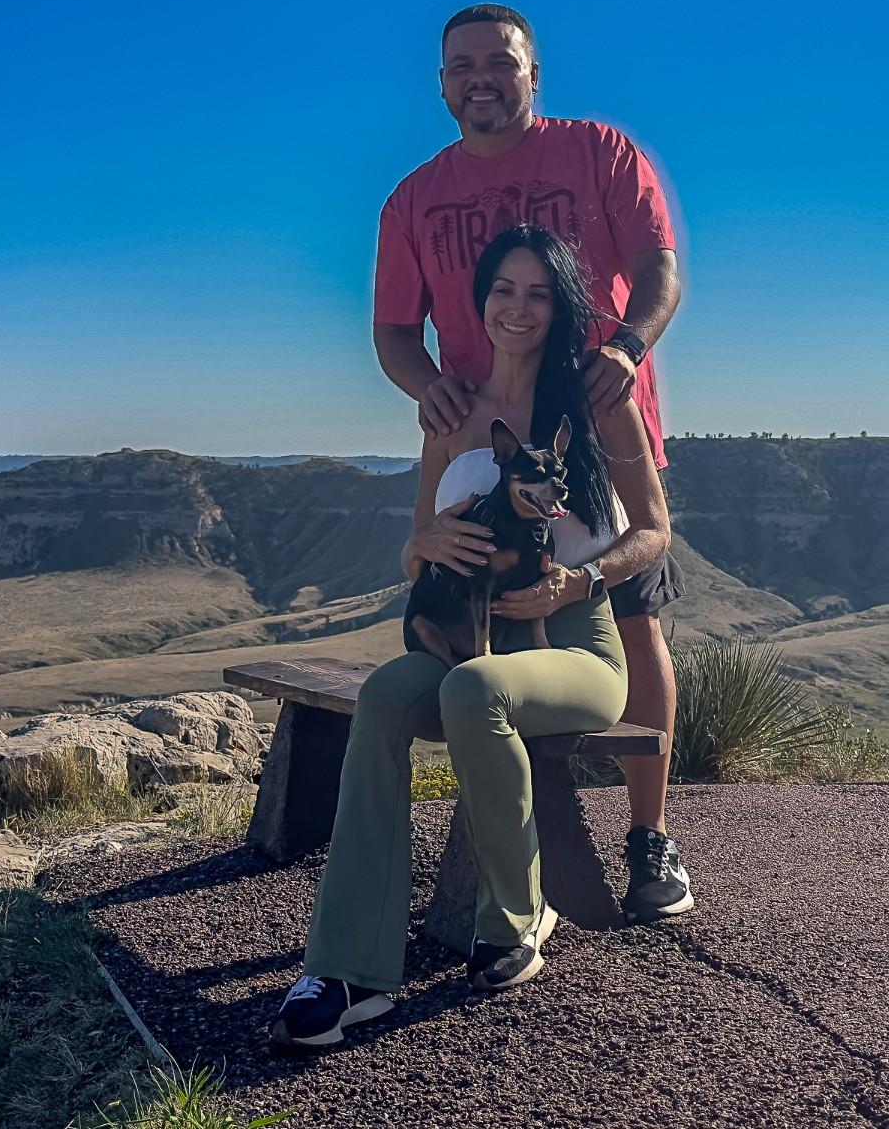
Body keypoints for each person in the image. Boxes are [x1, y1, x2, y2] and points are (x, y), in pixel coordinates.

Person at [277, 226, 675, 1049]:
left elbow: (655, 531)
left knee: (473, 689)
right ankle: (349, 967)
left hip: (574, 645)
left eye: (537, 293)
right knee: (387, 693)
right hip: (469, 633)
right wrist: (424, 546)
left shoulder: (597, 403)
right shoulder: (451, 411)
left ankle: (519, 916)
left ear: (560, 306)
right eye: (503, 291)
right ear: (480, 303)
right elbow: (417, 540)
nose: (518, 309)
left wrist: (582, 580)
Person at [371, 1, 696, 924]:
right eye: (461, 65)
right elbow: (394, 331)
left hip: (593, 433)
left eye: (500, 62)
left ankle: (648, 839)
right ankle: (510, 857)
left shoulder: (599, 152)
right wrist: (427, 386)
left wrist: (628, 347)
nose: (481, 78)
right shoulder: (414, 197)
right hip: (481, 449)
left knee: (632, 623)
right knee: (484, 631)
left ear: (532, 74)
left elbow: (659, 266)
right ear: (441, 84)